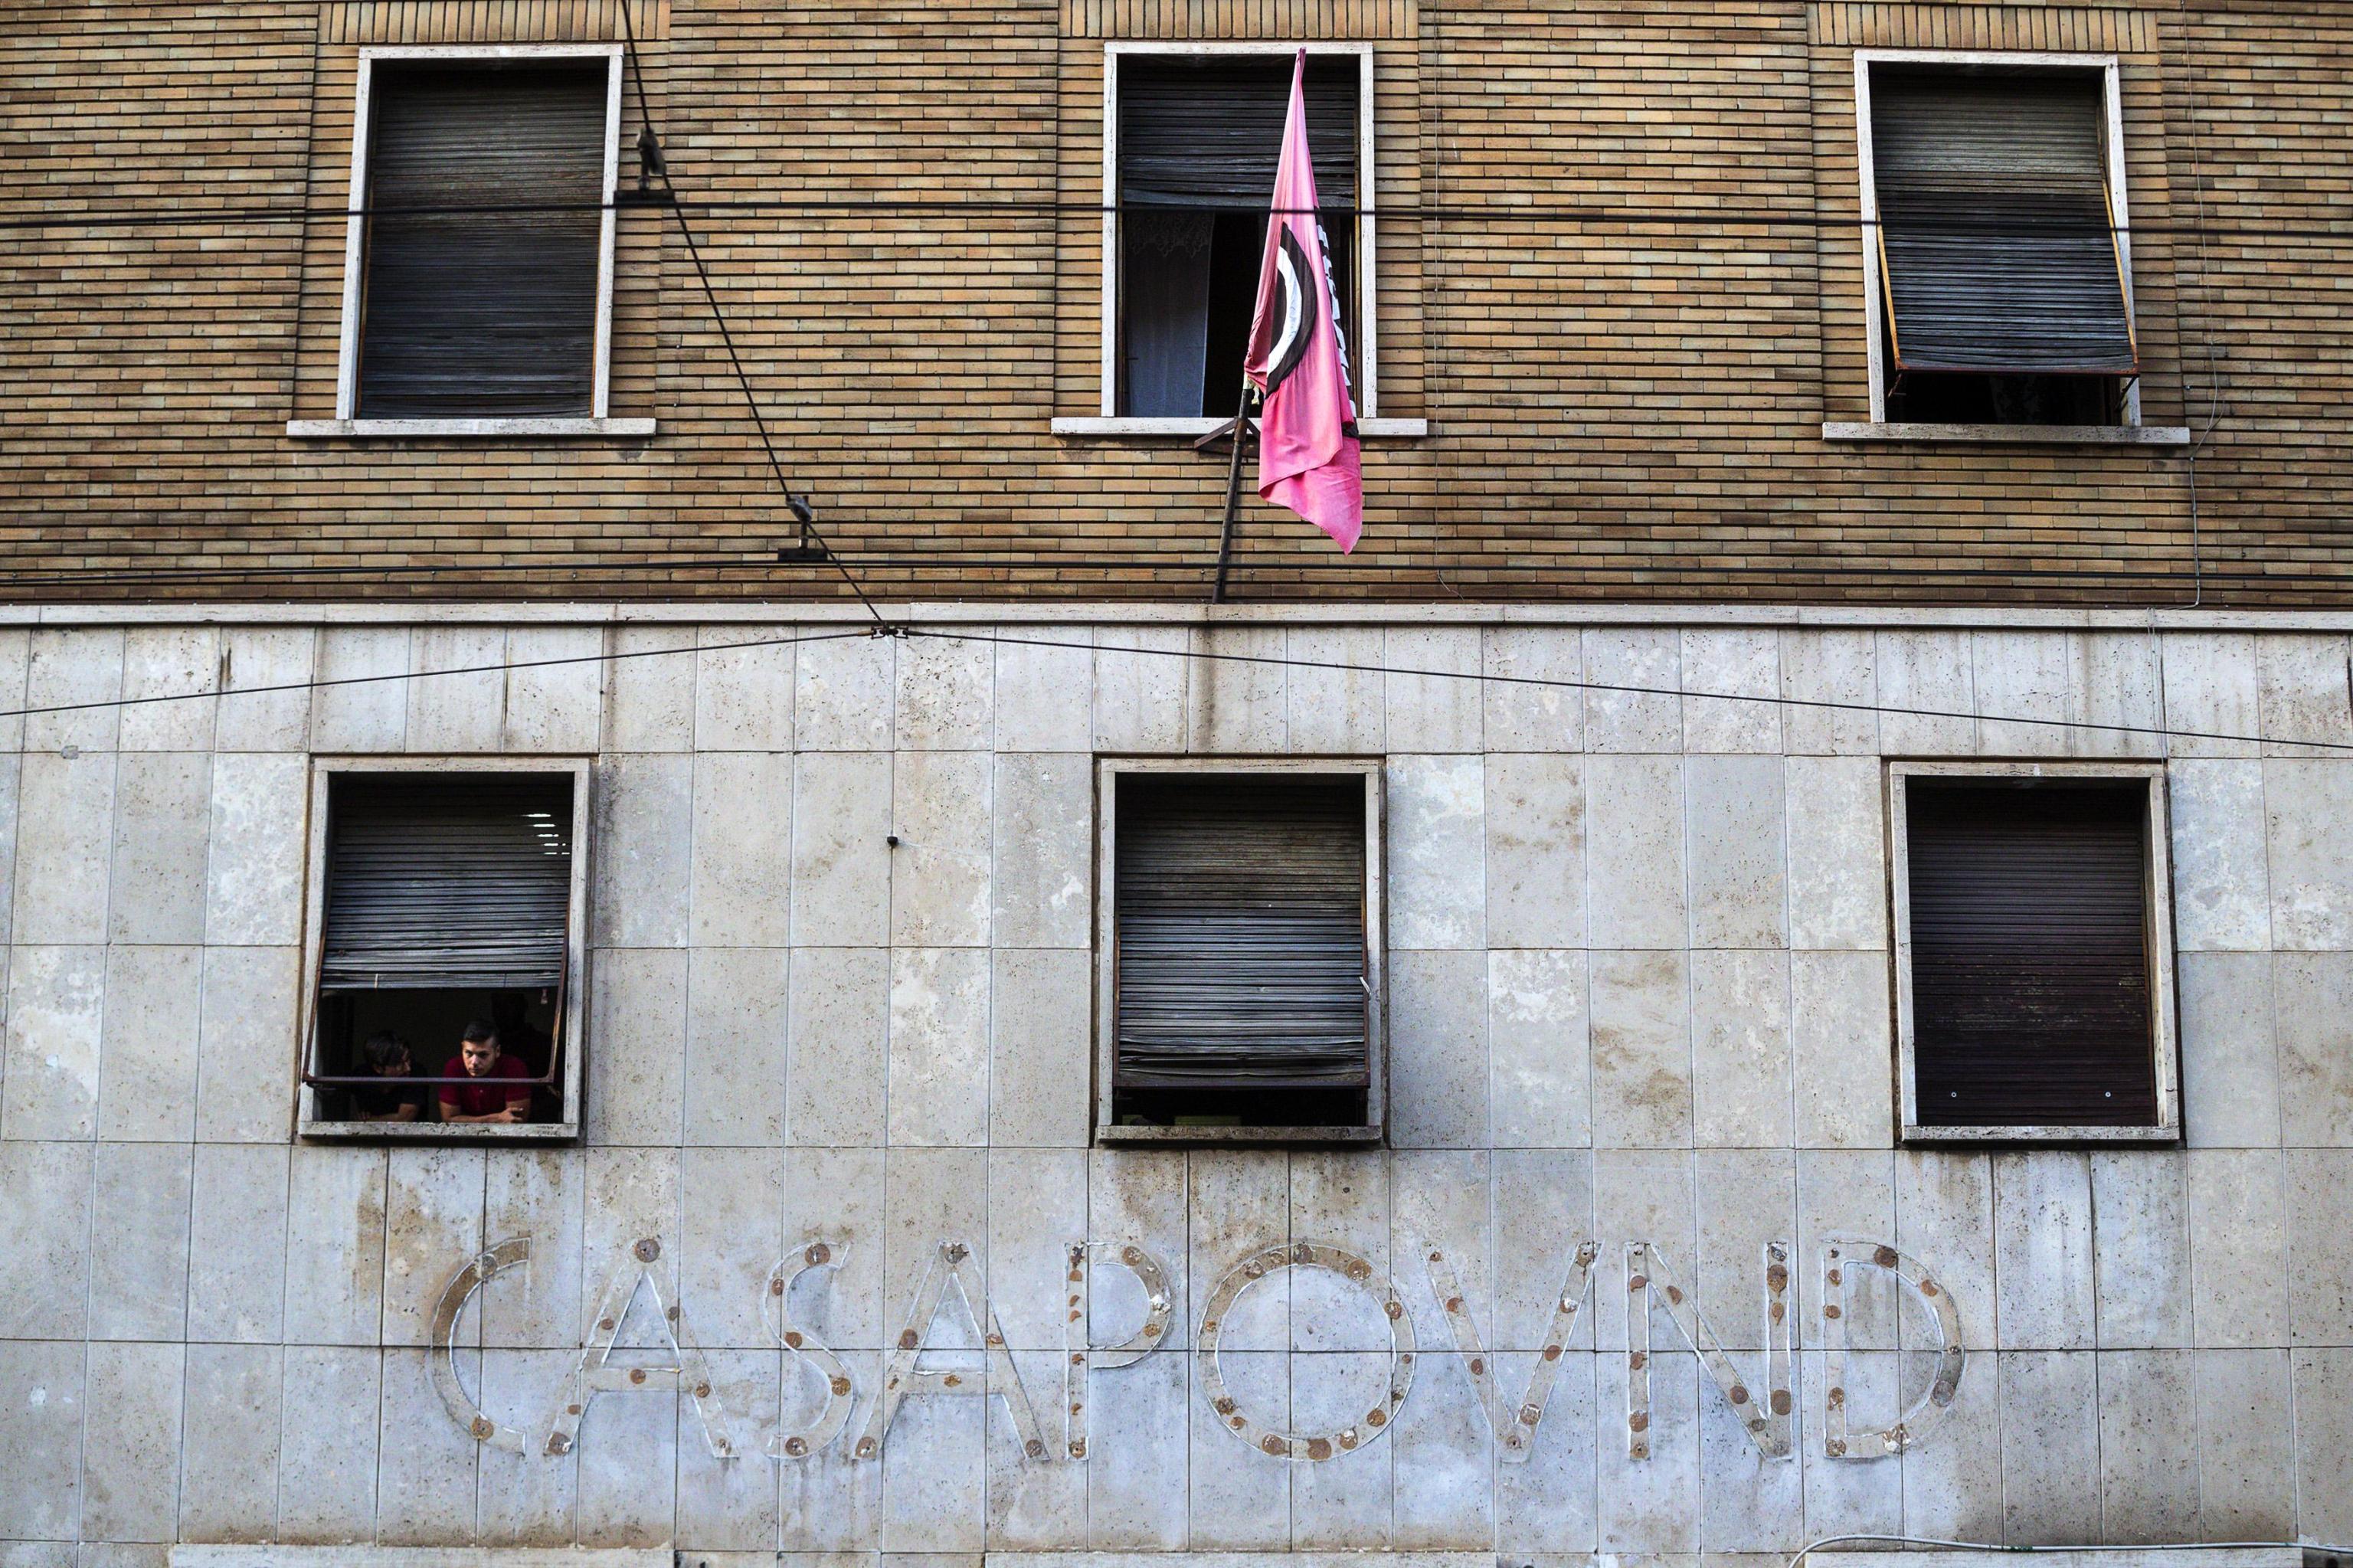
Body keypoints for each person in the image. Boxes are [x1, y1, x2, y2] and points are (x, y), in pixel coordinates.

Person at [438, 1020, 534, 1124]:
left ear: (497, 1052)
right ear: (462, 1049)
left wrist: (466, 1120)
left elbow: (515, 1120)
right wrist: (496, 1119)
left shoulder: (514, 1067)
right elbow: (448, 1119)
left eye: (483, 1055)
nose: (474, 1062)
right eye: (468, 1053)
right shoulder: (454, 1067)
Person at [346, 1030, 427, 1123]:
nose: (408, 1068)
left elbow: (404, 1119)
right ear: (378, 1068)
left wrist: (370, 1121)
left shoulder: (416, 1073)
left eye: (408, 1059)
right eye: (399, 1064)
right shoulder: (361, 1075)